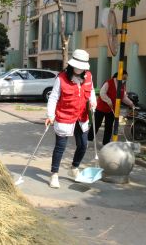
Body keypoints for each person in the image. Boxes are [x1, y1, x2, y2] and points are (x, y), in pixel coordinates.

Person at [45, 49, 97, 189]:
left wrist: (93, 102)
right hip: (64, 115)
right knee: (60, 147)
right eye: (77, 66)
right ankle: (54, 174)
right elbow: (54, 98)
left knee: (83, 145)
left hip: (82, 116)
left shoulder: (89, 76)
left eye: (82, 66)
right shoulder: (61, 78)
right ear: (72, 64)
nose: (80, 69)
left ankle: (74, 167)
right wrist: (50, 115)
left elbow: (91, 91)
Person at [88, 71, 134, 145]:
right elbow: (102, 93)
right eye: (124, 77)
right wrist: (109, 101)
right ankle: (89, 140)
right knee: (96, 124)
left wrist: (131, 103)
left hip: (112, 109)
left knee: (109, 127)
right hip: (101, 107)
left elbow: (123, 97)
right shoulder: (109, 82)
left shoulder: (122, 86)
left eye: (125, 78)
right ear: (119, 76)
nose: (124, 79)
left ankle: (106, 143)